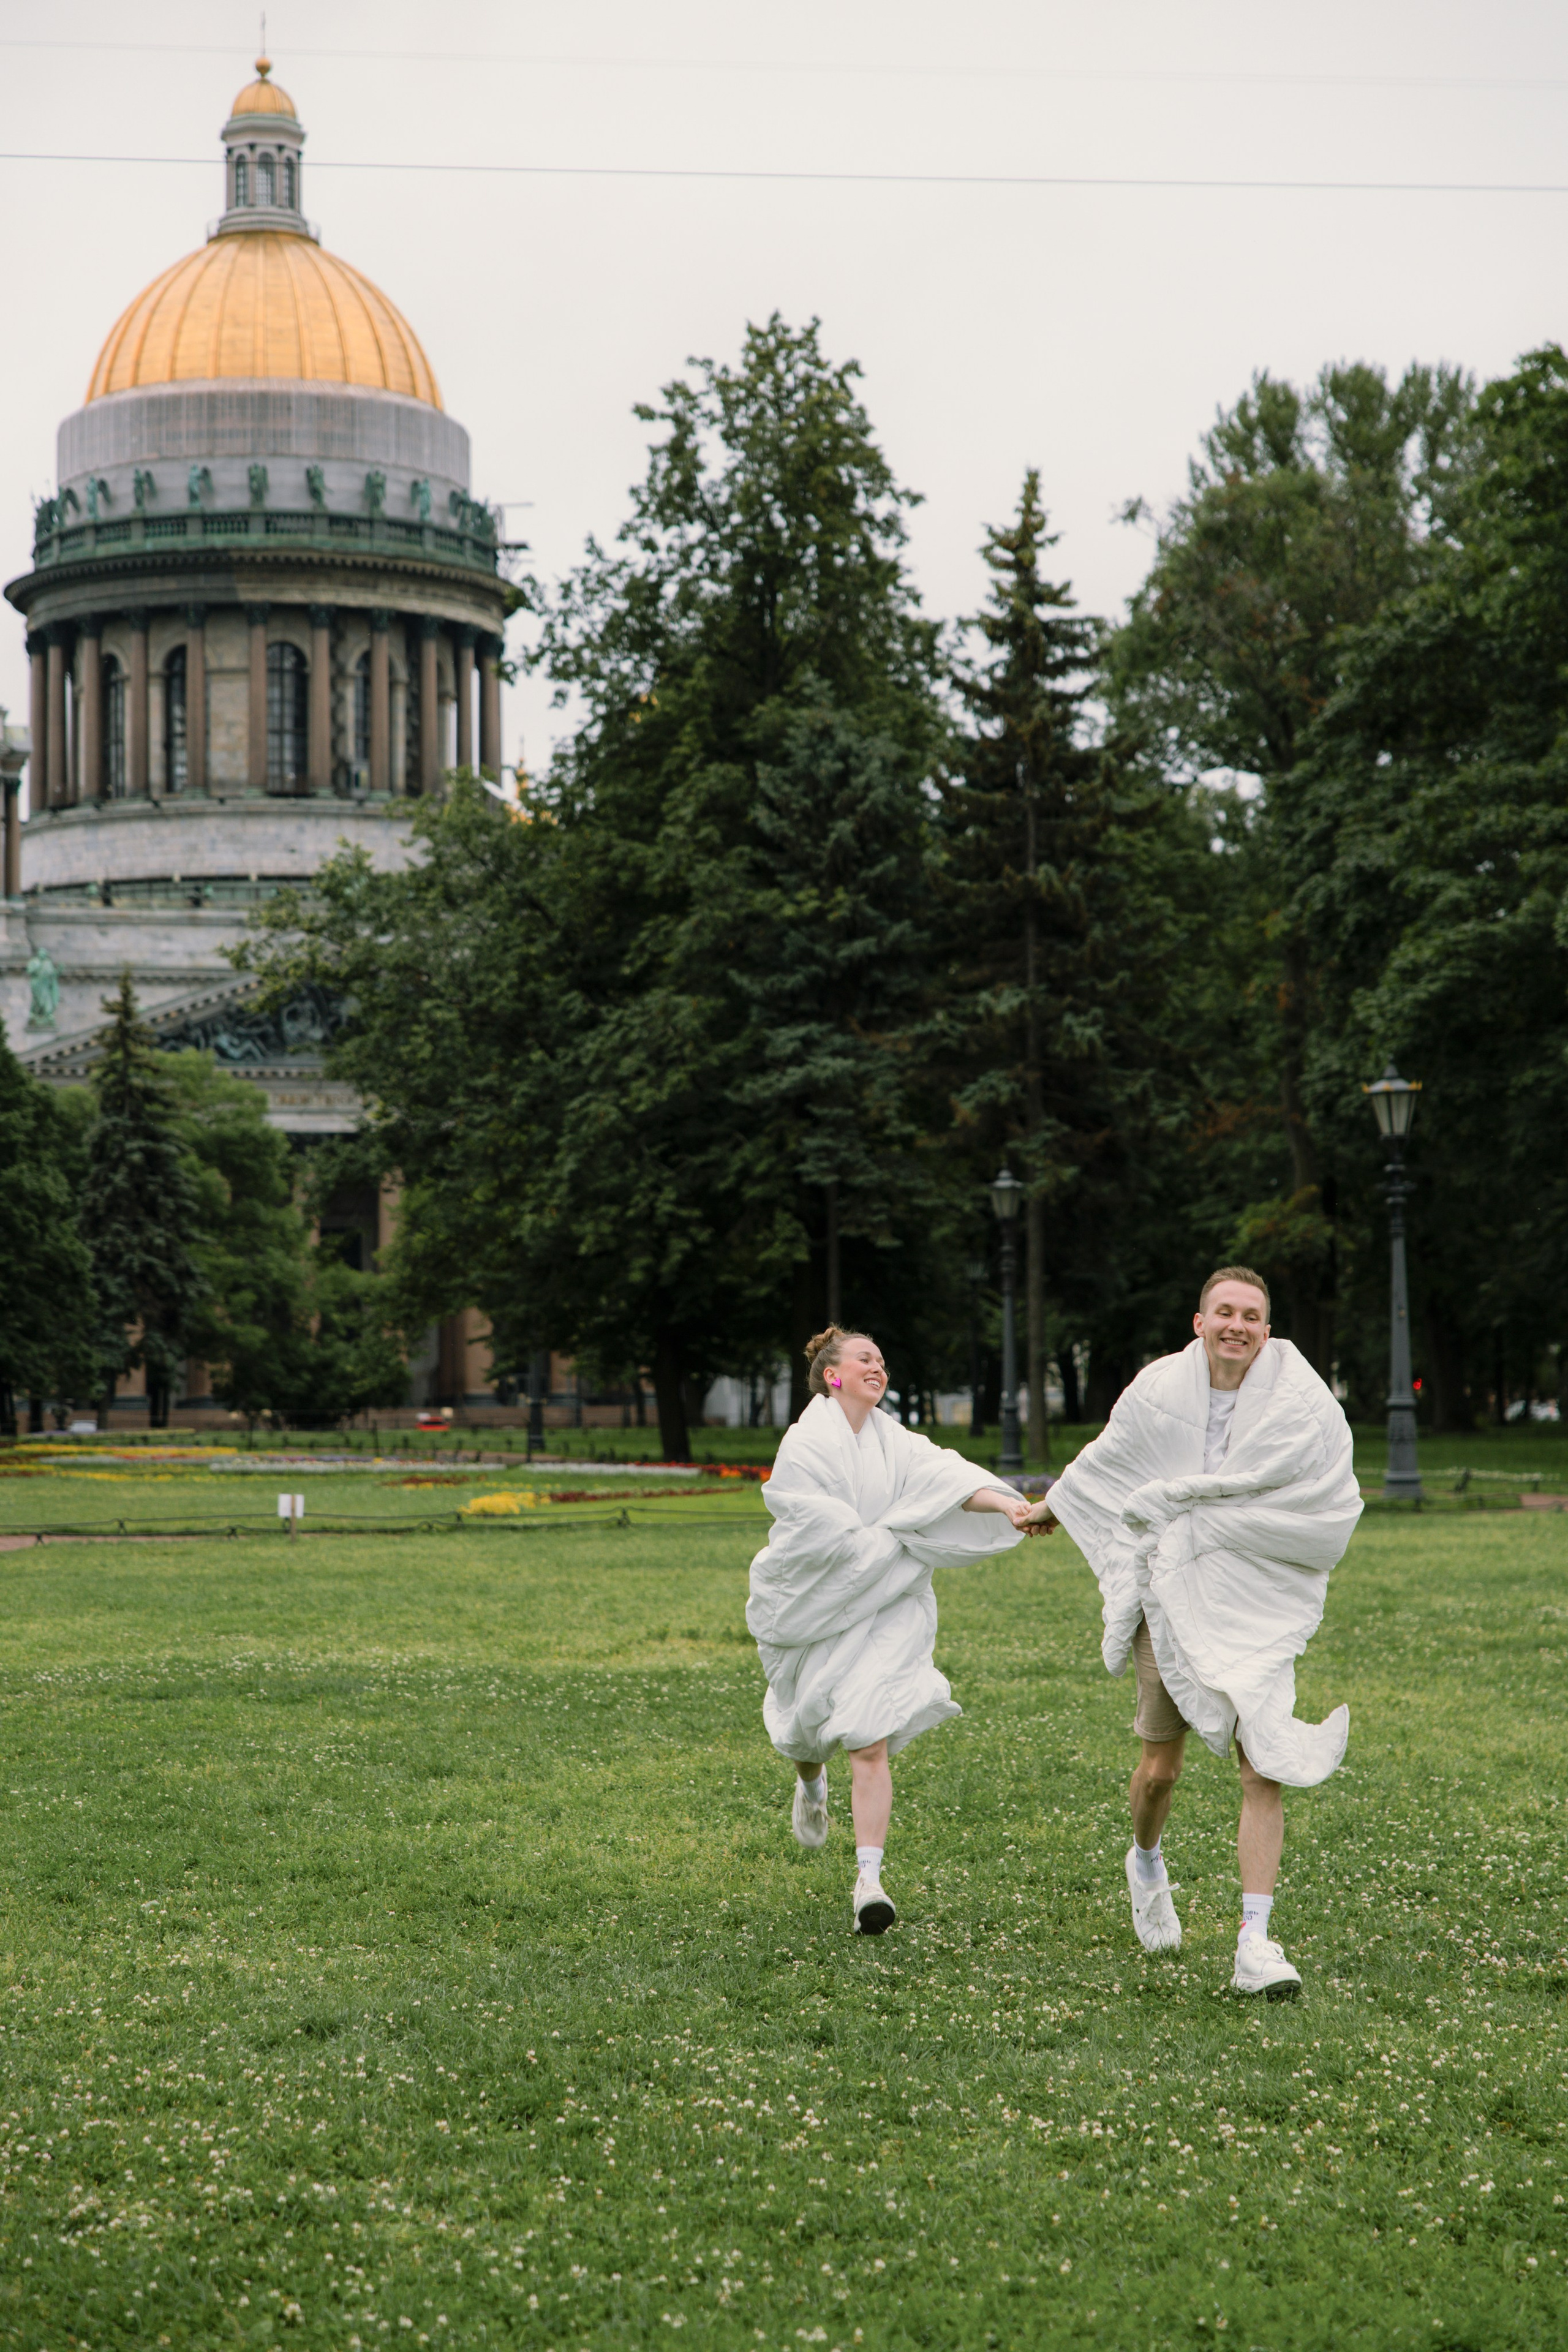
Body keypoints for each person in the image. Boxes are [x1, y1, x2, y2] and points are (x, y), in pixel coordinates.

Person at [1022, 1268, 1361, 1998]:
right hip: (1168, 1597)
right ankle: (1145, 1862)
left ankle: (1256, 1943)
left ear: (1266, 1330)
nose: (1237, 1325)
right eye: (1224, 1313)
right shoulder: (1158, 1391)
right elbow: (1112, 1460)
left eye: (1251, 1316)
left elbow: (1326, 1491)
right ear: (1199, 1321)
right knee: (1159, 1772)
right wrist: (1058, 1502)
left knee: (1260, 1764)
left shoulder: (1299, 1401)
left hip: (1248, 1604)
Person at [748, 1325, 1030, 1934]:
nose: (878, 1366)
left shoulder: (895, 1440)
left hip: (887, 1608)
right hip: (816, 1605)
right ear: (833, 1375)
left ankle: (868, 1882)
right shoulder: (805, 1442)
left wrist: (1008, 1505)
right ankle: (811, 1784)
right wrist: (887, 1542)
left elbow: (947, 1480)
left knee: (868, 1737)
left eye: (881, 1358)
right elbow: (809, 1525)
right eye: (863, 1359)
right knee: (804, 1732)